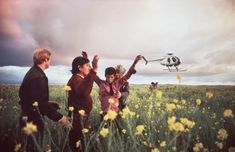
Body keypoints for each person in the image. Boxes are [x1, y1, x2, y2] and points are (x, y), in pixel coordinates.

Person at [19, 48, 70, 151]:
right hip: (33, 119)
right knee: (34, 148)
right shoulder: (38, 76)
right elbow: (40, 104)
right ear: (46, 59)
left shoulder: (32, 72)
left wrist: (48, 103)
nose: (50, 61)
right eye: (49, 59)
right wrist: (60, 118)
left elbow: (32, 98)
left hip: (27, 116)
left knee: (29, 147)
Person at [67, 52, 99, 152]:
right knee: (80, 141)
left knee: (78, 140)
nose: (89, 68)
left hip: (79, 115)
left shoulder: (78, 78)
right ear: (79, 67)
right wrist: (94, 70)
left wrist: (86, 59)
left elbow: (84, 86)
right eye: (87, 66)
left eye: (89, 66)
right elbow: (83, 92)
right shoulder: (76, 79)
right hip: (78, 117)